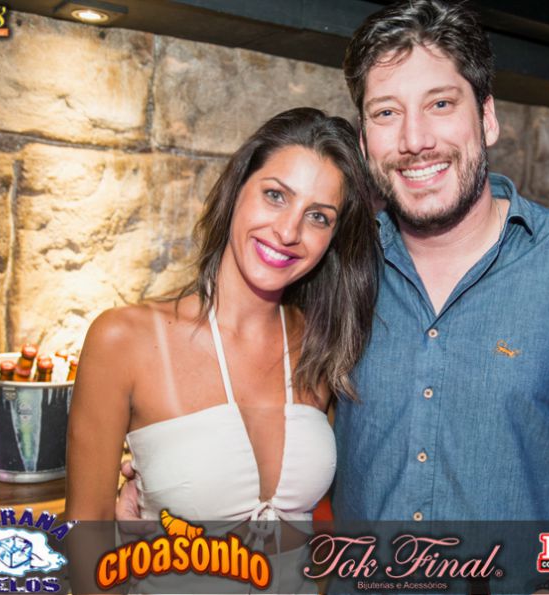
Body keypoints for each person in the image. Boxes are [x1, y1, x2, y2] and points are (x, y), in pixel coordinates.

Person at [332, 0, 549, 526]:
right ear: (363, 140)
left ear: (487, 118)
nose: (415, 140)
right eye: (386, 113)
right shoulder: (339, 264)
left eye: (440, 104)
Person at [65, 107, 379, 527]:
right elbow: (85, 535)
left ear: (333, 239)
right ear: (237, 189)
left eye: (318, 216)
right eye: (275, 195)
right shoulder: (124, 339)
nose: (289, 232)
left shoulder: (320, 345)